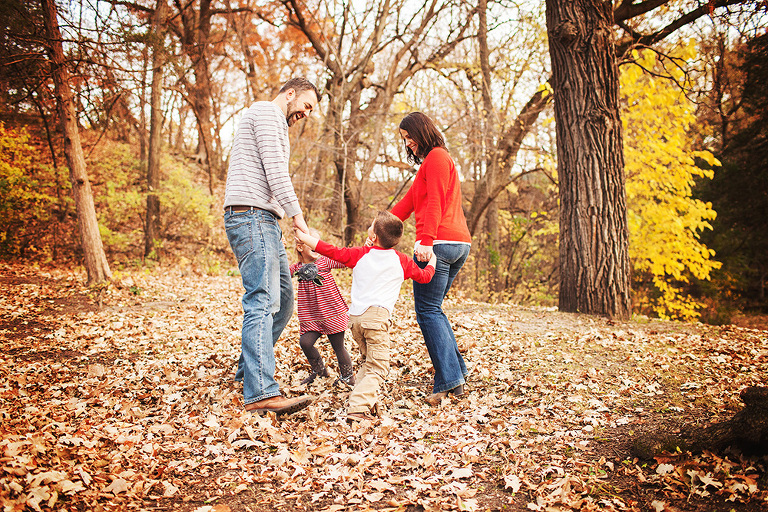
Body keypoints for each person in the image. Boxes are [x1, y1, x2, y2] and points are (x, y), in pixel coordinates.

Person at [223, 77, 319, 416]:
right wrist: (298, 217)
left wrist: (284, 216)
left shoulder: (274, 121)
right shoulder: (266, 112)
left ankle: (247, 373)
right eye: (306, 105)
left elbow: (270, 174)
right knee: (261, 301)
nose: (306, 113)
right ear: (290, 94)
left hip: (264, 218)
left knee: (285, 301)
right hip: (250, 217)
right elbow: (276, 171)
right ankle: (261, 392)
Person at [295, 211, 436, 422]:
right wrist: (433, 260)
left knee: (369, 363)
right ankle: (357, 409)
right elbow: (425, 277)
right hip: (376, 320)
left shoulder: (360, 254)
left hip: (356, 321)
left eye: (371, 226)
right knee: (378, 367)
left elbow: (329, 250)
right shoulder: (402, 260)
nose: (368, 228)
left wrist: (303, 236)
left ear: (374, 236)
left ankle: (362, 399)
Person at [390, 111, 472, 406]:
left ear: (422, 131)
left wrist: (426, 240)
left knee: (427, 310)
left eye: (409, 136)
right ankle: (457, 373)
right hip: (456, 243)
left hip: (439, 243)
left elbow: (436, 200)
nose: (408, 143)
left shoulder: (437, 157)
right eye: (404, 139)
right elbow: (407, 204)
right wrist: (378, 228)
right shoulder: (432, 163)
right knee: (433, 309)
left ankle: (448, 381)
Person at [290, 230, 355, 387]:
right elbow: (281, 272)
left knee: (338, 347)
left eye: (317, 243)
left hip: (332, 313)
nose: (316, 246)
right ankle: (319, 372)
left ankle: (348, 377)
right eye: (311, 243)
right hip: (312, 318)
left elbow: (345, 259)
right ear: (300, 247)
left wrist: (367, 248)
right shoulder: (297, 269)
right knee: (305, 343)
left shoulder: (325, 262)